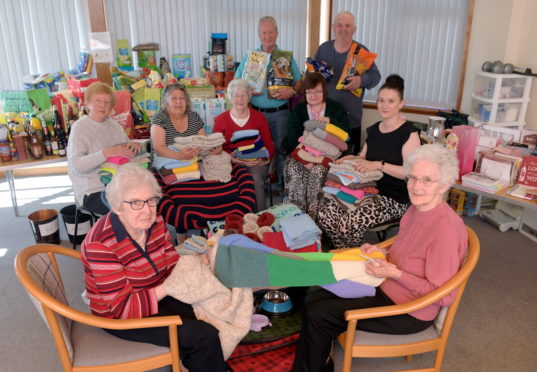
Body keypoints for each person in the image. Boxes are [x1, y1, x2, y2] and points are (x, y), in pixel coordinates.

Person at [292, 144, 468, 372]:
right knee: (313, 297)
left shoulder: (446, 230)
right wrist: (379, 251)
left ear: (444, 185)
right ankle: (318, 362)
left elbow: (443, 296)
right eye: (413, 177)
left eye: (427, 180)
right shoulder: (417, 208)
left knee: (319, 312)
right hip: (385, 284)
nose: (415, 186)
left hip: (409, 310)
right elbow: (409, 246)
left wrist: (393, 273)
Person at [81, 163, 228, 372]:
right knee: (204, 335)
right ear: (116, 206)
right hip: (121, 317)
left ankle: (202, 363)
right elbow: (123, 309)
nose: (147, 211)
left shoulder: (156, 220)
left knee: (213, 309)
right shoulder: (100, 244)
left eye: (151, 200)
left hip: (156, 292)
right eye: (135, 203)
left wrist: (194, 265)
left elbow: (169, 262)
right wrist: (168, 288)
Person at [317, 74, 421, 249]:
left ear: (401, 103)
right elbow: (363, 157)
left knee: (350, 222)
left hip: (393, 198)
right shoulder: (374, 130)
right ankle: (342, 253)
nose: (385, 106)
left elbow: (410, 172)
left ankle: (350, 258)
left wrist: (379, 165)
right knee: (325, 213)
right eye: (381, 101)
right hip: (367, 189)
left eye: (391, 101)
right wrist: (353, 158)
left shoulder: (409, 133)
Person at [235, 15, 302, 189]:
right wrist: (245, 89)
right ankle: (260, 187)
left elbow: (300, 83)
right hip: (256, 113)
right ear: (259, 34)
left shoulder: (285, 57)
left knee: (282, 150)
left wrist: (293, 90)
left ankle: (281, 186)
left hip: (281, 112)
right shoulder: (250, 57)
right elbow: (236, 84)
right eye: (264, 32)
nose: (267, 36)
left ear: (277, 33)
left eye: (270, 32)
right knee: (257, 150)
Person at [67, 81, 142, 215]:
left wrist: (133, 146)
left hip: (120, 184)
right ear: (88, 104)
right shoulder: (79, 127)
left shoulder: (114, 125)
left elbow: (124, 151)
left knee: (148, 198)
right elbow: (77, 165)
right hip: (94, 190)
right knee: (131, 209)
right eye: (98, 100)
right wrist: (107, 153)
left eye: (107, 102)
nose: (103, 105)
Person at [282, 71, 349, 218]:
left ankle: (314, 218)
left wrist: (331, 121)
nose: (314, 96)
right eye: (309, 92)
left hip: (328, 156)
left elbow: (346, 136)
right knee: (294, 167)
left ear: (324, 91)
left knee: (317, 172)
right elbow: (293, 136)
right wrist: (306, 159)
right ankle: (297, 215)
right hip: (303, 154)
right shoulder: (299, 110)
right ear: (304, 94)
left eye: (318, 91)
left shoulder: (336, 109)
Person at [315, 11, 381, 154]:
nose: (343, 29)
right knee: (324, 162)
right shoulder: (324, 48)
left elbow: (376, 76)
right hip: (325, 119)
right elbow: (312, 77)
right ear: (333, 27)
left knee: (348, 163)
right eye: (339, 25)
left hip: (351, 120)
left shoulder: (361, 51)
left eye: (347, 26)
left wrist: (361, 80)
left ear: (354, 29)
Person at [213, 78, 275, 211]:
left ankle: (260, 218)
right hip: (231, 162)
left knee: (254, 179)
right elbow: (216, 149)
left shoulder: (259, 118)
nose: (240, 99)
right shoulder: (221, 120)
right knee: (226, 182)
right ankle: (235, 219)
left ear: (249, 97)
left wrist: (262, 159)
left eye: (243, 95)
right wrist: (234, 159)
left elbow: (269, 146)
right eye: (236, 96)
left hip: (256, 164)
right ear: (230, 97)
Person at [150, 83, 209, 165]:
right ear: (166, 102)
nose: (178, 102)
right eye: (173, 98)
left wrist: (210, 149)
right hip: (164, 168)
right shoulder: (159, 119)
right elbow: (159, 148)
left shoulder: (194, 117)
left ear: (187, 101)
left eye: (182, 98)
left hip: (193, 164)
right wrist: (181, 156)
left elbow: (203, 141)